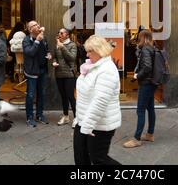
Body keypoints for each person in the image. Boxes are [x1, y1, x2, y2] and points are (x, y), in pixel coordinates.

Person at [73, 35, 121, 165]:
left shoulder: (107, 70)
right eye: (86, 51)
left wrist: (88, 126)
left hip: (99, 124)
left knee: (99, 159)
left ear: (99, 50)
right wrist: (80, 119)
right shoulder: (91, 66)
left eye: (90, 51)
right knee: (80, 155)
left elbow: (100, 101)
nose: (87, 55)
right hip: (84, 119)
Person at [123, 30, 158, 148]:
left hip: (146, 83)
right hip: (152, 82)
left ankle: (137, 138)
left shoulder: (146, 49)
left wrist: (138, 75)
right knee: (150, 108)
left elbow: (147, 66)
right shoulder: (152, 48)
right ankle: (150, 134)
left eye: (139, 37)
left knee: (141, 110)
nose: (138, 39)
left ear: (142, 37)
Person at [22, 20, 50, 127]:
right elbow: (30, 52)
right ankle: (29, 117)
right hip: (32, 72)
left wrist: (49, 54)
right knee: (30, 95)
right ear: (30, 29)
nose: (37, 26)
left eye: (37, 24)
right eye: (34, 25)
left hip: (42, 70)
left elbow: (47, 49)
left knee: (41, 94)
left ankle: (39, 115)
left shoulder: (44, 37)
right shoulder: (26, 40)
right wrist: (37, 41)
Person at [52, 28, 77, 127]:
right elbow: (54, 56)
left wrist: (62, 47)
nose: (60, 34)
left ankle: (76, 118)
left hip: (69, 75)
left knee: (71, 96)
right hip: (59, 74)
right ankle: (66, 116)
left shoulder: (72, 45)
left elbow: (72, 58)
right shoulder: (57, 45)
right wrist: (53, 62)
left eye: (62, 33)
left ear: (67, 35)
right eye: (59, 33)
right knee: (63, 97)